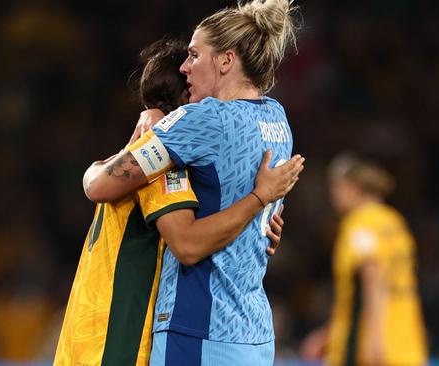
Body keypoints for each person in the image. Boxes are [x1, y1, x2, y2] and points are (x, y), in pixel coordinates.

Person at [54, 37, 300, 366]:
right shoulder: (165, 169)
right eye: (192, 72)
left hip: (90, 337)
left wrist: (253, 229)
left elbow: (98, 181)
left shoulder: (138, 161)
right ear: (185, 99)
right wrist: (258, 199)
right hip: (118, 340)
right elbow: (187, 243)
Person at [300, 154, 428, 366]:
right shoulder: (395, 222)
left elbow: (373, 280)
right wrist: (328, 334)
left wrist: (374, 341)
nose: (333, 197)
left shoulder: (359, 225)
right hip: (407, 344)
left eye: (336, 189)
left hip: (370, 350)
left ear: (351, 187)